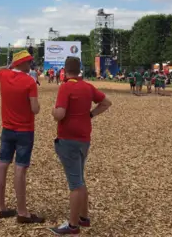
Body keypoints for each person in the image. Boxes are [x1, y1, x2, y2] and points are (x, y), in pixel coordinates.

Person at [50, 56, 112, 234]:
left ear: (65, 70)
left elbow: (60, 114)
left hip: (68, 139)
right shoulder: (87, 87)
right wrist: (90, 115)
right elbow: (106, 102)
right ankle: (84, 218)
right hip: (84, 138)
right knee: (80, 178)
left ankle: (72, 225)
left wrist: (52, 112)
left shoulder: (66, 87)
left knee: (75, 183)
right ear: (79, 70)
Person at [0, 50, 44, 224]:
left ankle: (2, 208)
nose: (30, 64)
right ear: (22, 63)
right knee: (20, 168)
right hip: (24, 129)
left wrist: (9, 66)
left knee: (2, 165)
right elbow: (35, 109)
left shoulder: (3, 75)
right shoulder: (29, 82)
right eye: (28, 62)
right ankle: (22, 212)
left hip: (7, 127)